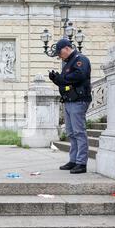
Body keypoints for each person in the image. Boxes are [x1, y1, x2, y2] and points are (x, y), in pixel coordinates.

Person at [48, 39, 92, 174]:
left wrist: (62, 79)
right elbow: (65, 82)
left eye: (60, 53)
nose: (59, 56)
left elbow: (80, 75)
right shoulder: (68, 63)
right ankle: (73, 160)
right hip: (69, 100)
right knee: (71, 133)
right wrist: (56, 79)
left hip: (78, 100)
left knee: (79, 132)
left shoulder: (80, 59)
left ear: (67, 48)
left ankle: (81, 163)